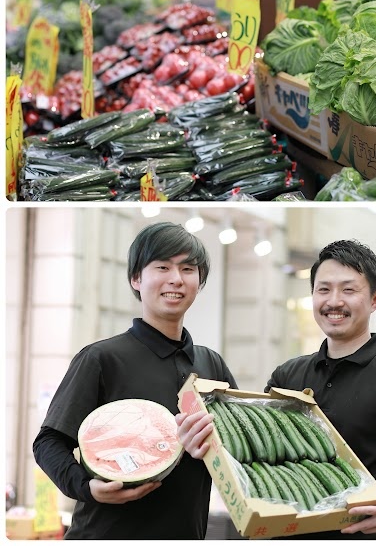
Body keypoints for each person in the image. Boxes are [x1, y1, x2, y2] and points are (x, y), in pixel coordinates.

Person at [178, 239, 376, 540]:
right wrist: (204, 445)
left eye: (349, 289)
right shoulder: (288, 374)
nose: (334, 301)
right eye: (323, 289)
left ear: (375, 299)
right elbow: (255, 459)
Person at [33, 221, 237, 540]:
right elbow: (48, 442)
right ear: (136, 278)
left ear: (199, 281)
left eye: (187, 268)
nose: (176, 279)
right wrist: (88, 487)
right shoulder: (101, 359)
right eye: (162, 266)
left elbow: (235, 444)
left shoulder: (212, 364)